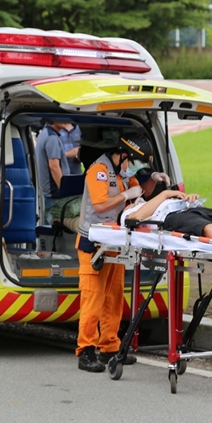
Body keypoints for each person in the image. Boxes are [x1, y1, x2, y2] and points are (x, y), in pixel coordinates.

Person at [75, 132, 168, 372]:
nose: (134, 170)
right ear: (123, 155)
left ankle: (109, 347)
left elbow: (143, 194)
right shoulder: (99, 171)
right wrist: (125, 195)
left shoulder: (124, 172)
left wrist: (153, 179)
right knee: (93, 298)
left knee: (114, 298)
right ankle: (86, 350)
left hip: (115, 242)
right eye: (134, 163)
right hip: (92, 243)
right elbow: (99, 204)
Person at [121, 189, 212, 242]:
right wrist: (166, 193)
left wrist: (187, 198)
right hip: (171, 217)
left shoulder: (144, 202)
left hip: (189, 208)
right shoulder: (127, 213)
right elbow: (135, 218)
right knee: (210, 229)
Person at [35, 119, 71, 223]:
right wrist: (64, 190)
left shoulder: (45, 133)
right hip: (54, 194)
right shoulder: (52, 138)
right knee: (53, 230)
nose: (64, 120)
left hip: (48, 193)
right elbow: (54, 166)